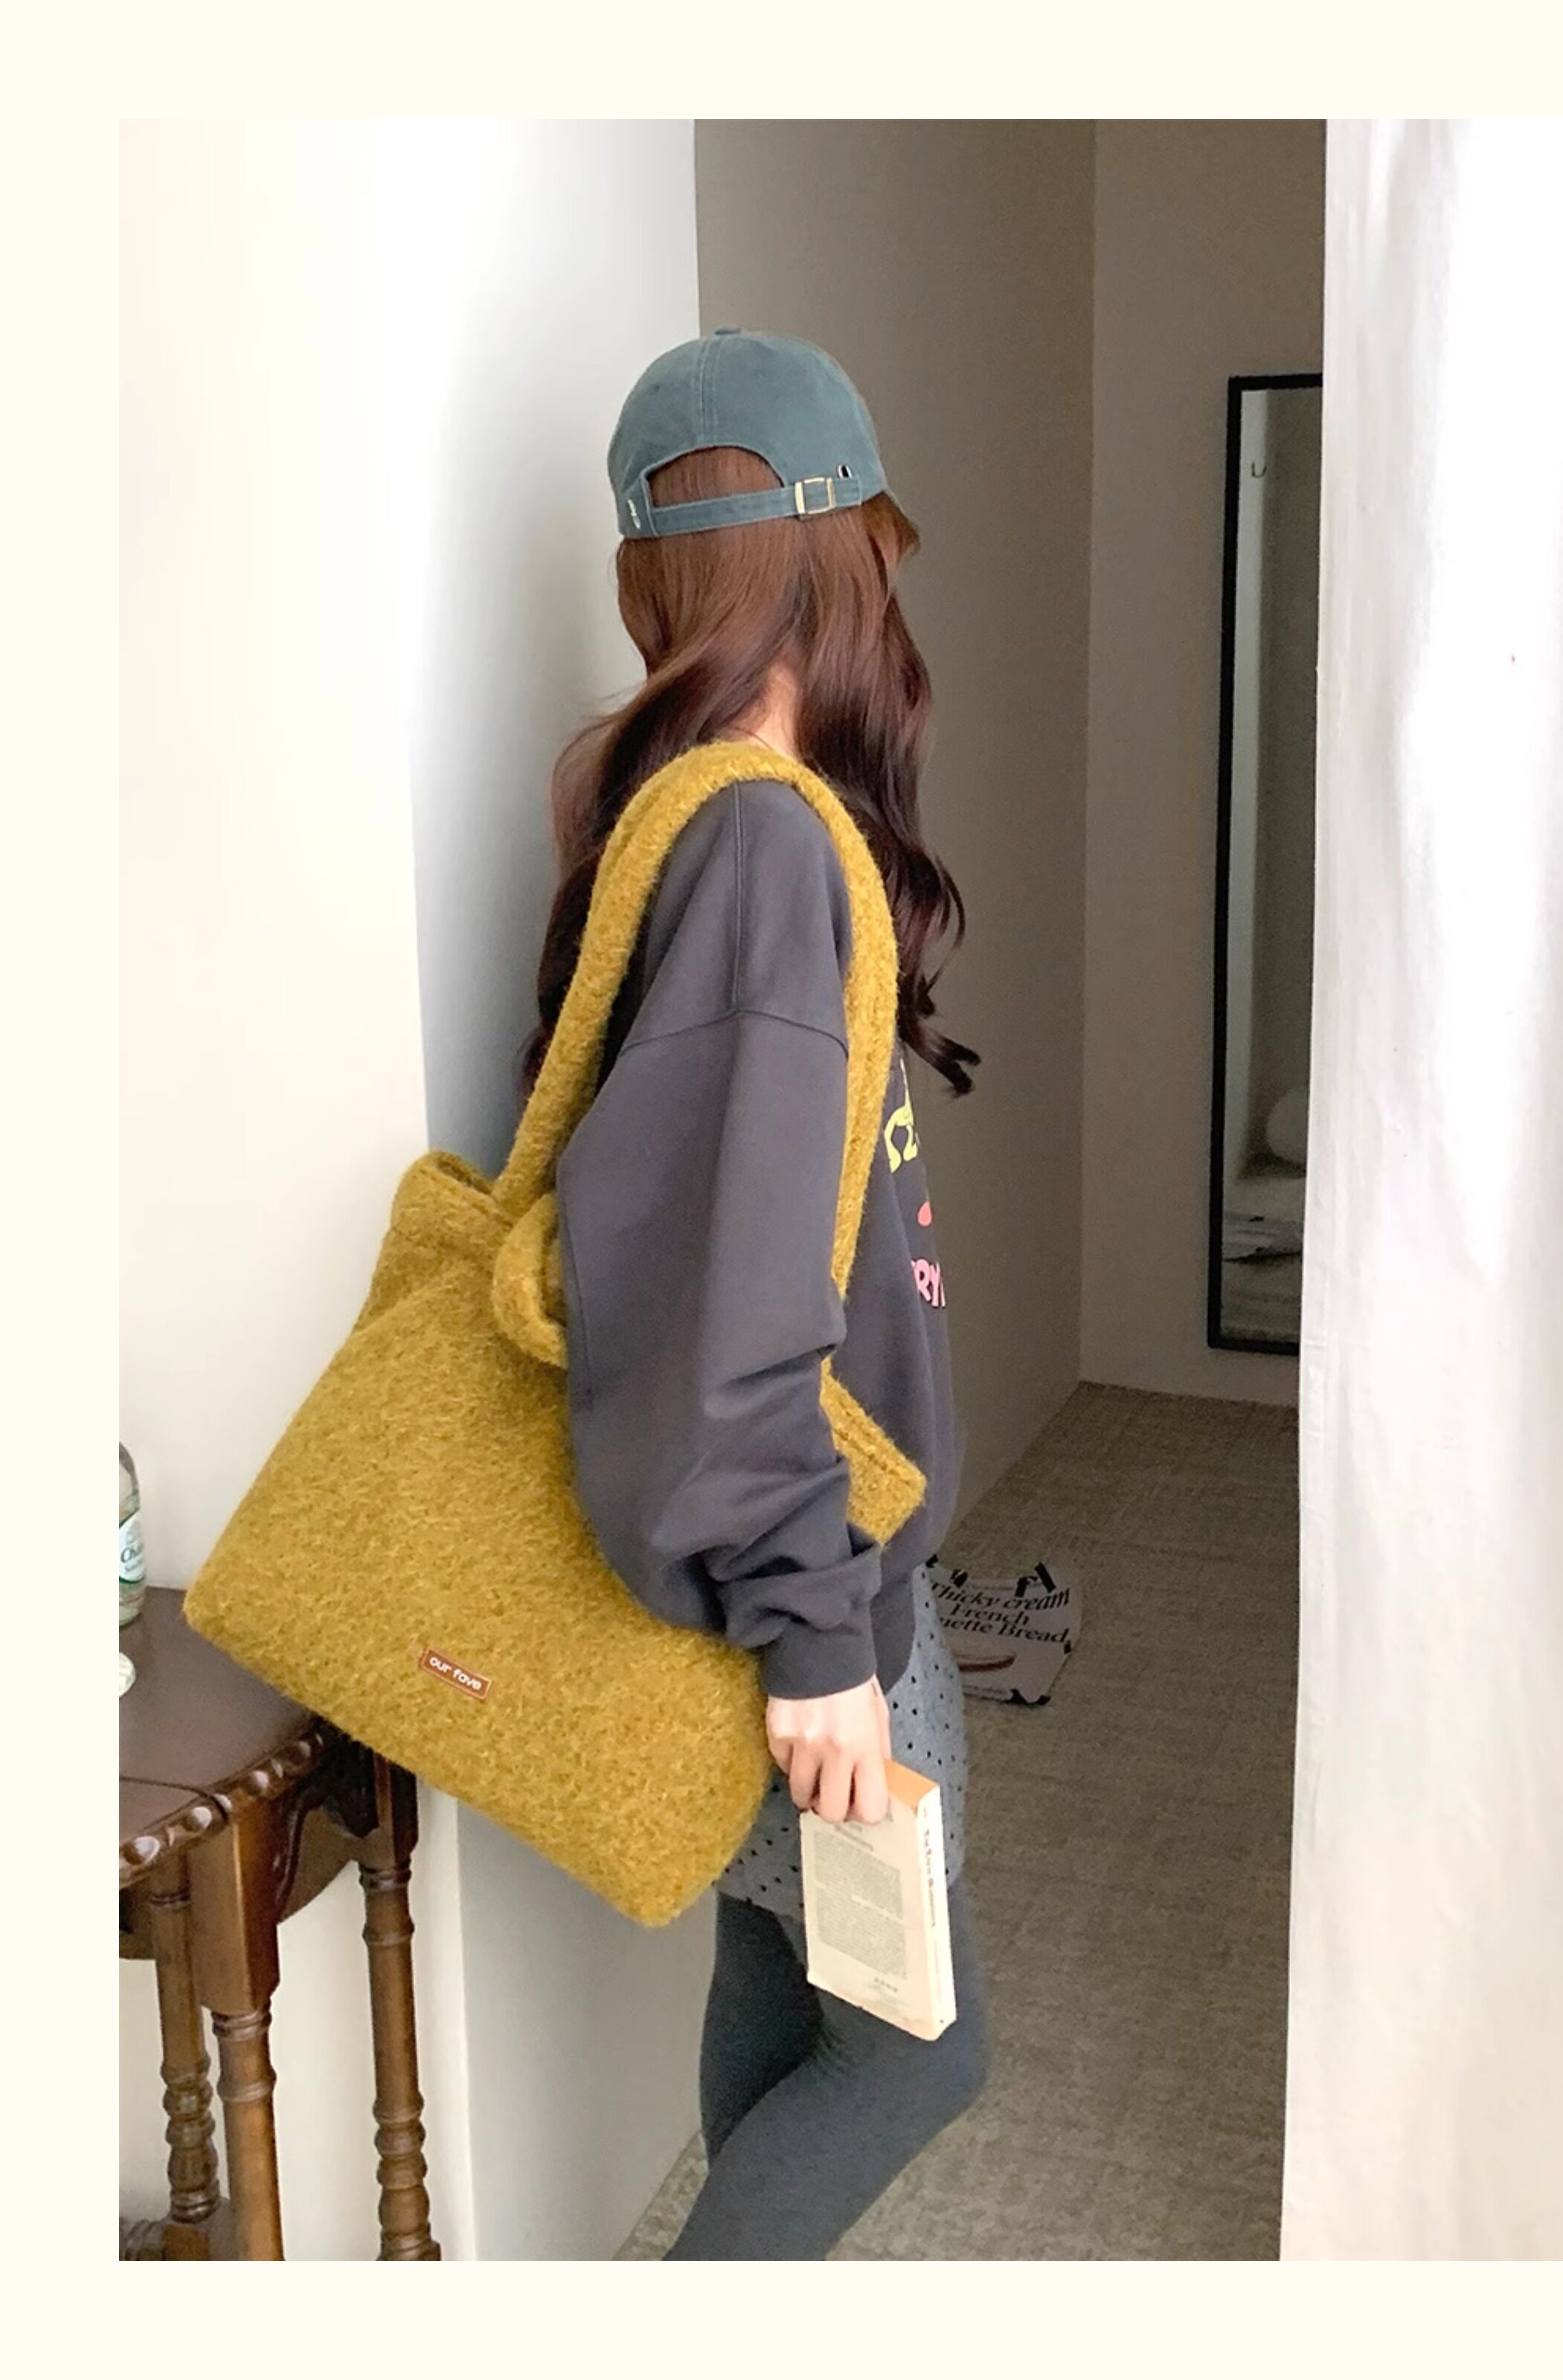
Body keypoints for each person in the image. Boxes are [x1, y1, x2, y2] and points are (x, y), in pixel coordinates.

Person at [521, 330, 991, 2259]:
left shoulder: (696, 814)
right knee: (915, 2051)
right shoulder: (760, 850)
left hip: (793, 1561)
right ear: (838, 556)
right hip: (817, 1579)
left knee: (787, 1990)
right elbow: (733, 1305)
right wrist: (819, 1639)